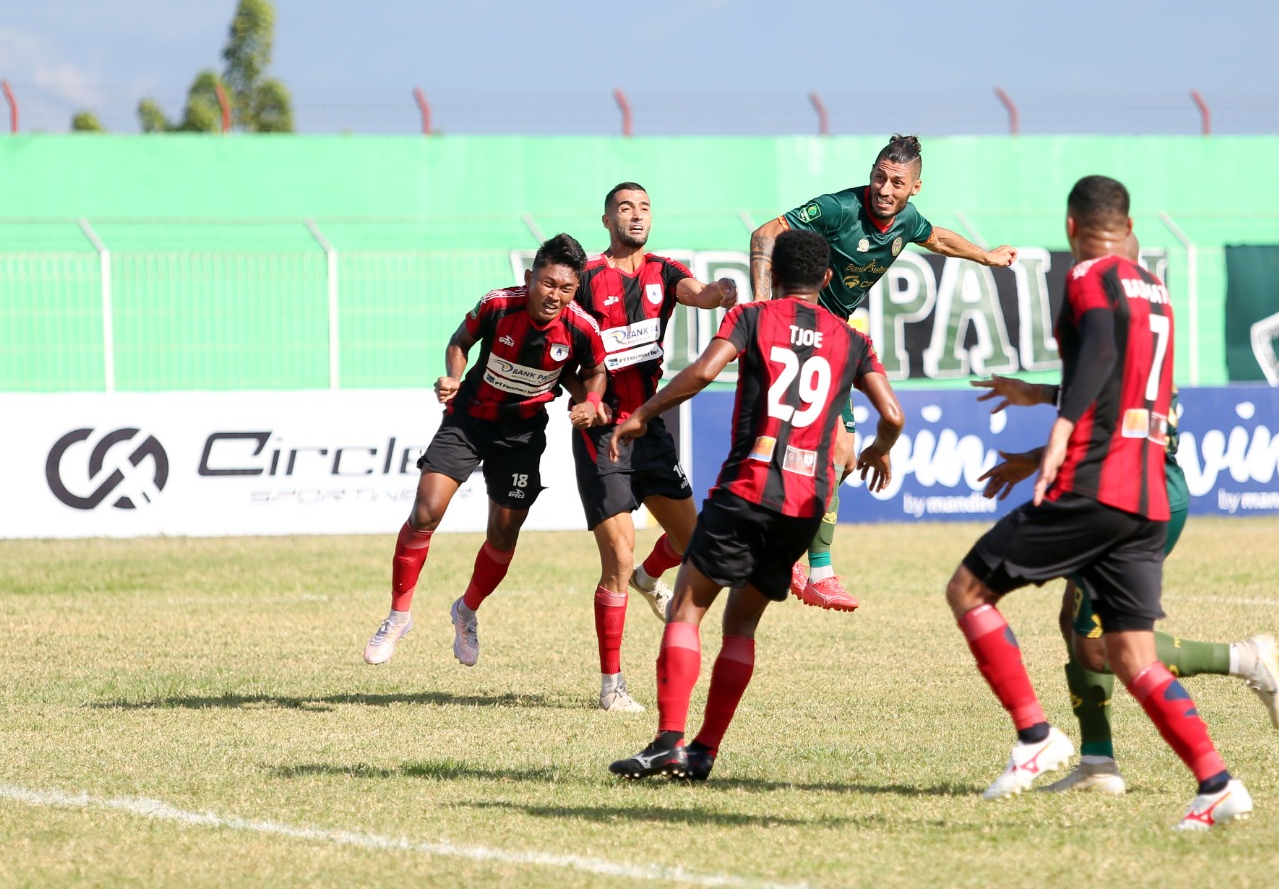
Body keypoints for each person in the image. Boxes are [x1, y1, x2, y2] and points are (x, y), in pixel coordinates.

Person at [946, 175, 1254, 830]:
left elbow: (1100, 359)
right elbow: (1121, 375)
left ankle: (1036, 737)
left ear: (1070, 225)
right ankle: (1217, 784)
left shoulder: (1088, 276)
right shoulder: (1156, 289)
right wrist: (1039, 397)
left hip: (1096, 485)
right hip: (1149, 493)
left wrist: (1056, 438)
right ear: (1129, 221)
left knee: (969, 590)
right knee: (1131, 654)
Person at [607, 231, 904, 781]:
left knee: (687, 611)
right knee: (741, 628)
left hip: (748, 489)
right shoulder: (851, 339)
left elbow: (700, 372)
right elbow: (892, 415)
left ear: (775, 275)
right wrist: (877, 451)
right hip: (804, 505)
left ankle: (670, 740)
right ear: (829, 278)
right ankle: (704, 752)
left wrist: (643, 413)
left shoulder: (753, 316)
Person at [972, 382, 1279, 796]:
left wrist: (1036, 453)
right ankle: (1098, 763)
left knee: (1102, 650)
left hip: (1129, 495)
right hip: (1133, 487)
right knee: (1074, 620)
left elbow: (1115, 413)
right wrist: (1040, 396)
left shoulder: (1113, 322)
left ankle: (1244, 658)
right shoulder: (1135, 325)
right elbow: (1115, 396)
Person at [748, 134, 1017, 611]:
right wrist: (765, 308)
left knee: (844, 459)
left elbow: (936, 237)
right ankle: (816, 568)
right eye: (878, 177)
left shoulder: (907, 220)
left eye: (896, 181)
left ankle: (796, 553)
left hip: (837, 341)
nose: (884, 188)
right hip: (805, 333)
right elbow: (766, 232)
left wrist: (985, 255)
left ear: (915, 187)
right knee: (826, 451)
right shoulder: (838, 208)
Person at [362, 233, 606, 668]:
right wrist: (452, 376)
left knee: (503, 533)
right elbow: (459, 342)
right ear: (530, 277)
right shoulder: (497, 305)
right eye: (548, 284)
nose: (555, 296)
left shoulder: (582, 328)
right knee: (425, 512)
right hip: (468, 420)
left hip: (521, 436)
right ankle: (399, 615)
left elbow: (596, 372)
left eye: (566, 288)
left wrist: (590, 401)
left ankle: (466, 610)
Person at [572, 182, 739, 713]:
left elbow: (697, 294)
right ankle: (611, 686)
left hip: (650, 427)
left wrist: (720, 292)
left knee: (698, 547)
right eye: (625, 208)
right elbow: (559, 354)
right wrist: (585, 398)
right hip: (602, 435)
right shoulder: (585, 279)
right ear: (606, 220)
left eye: (644, 207)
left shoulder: (664, 271)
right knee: (616, 557)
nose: (637, 215)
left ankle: (650, 577)